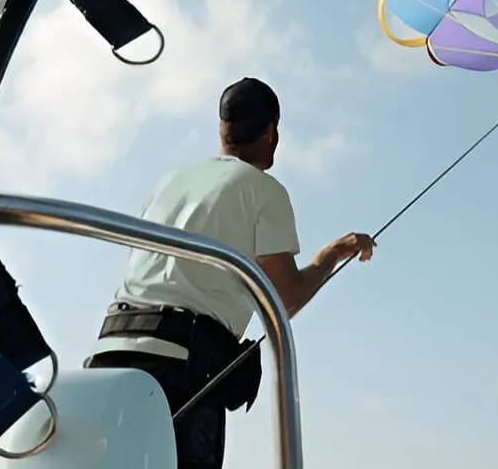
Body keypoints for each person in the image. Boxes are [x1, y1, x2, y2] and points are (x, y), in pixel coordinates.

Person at [83, 77, 375, 469]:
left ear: (222, 129)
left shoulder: (171, 181)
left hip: (107, 358)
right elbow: (285, 300)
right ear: (271, 133)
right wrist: (331, 255)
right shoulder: (263, 189)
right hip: (177, 370)